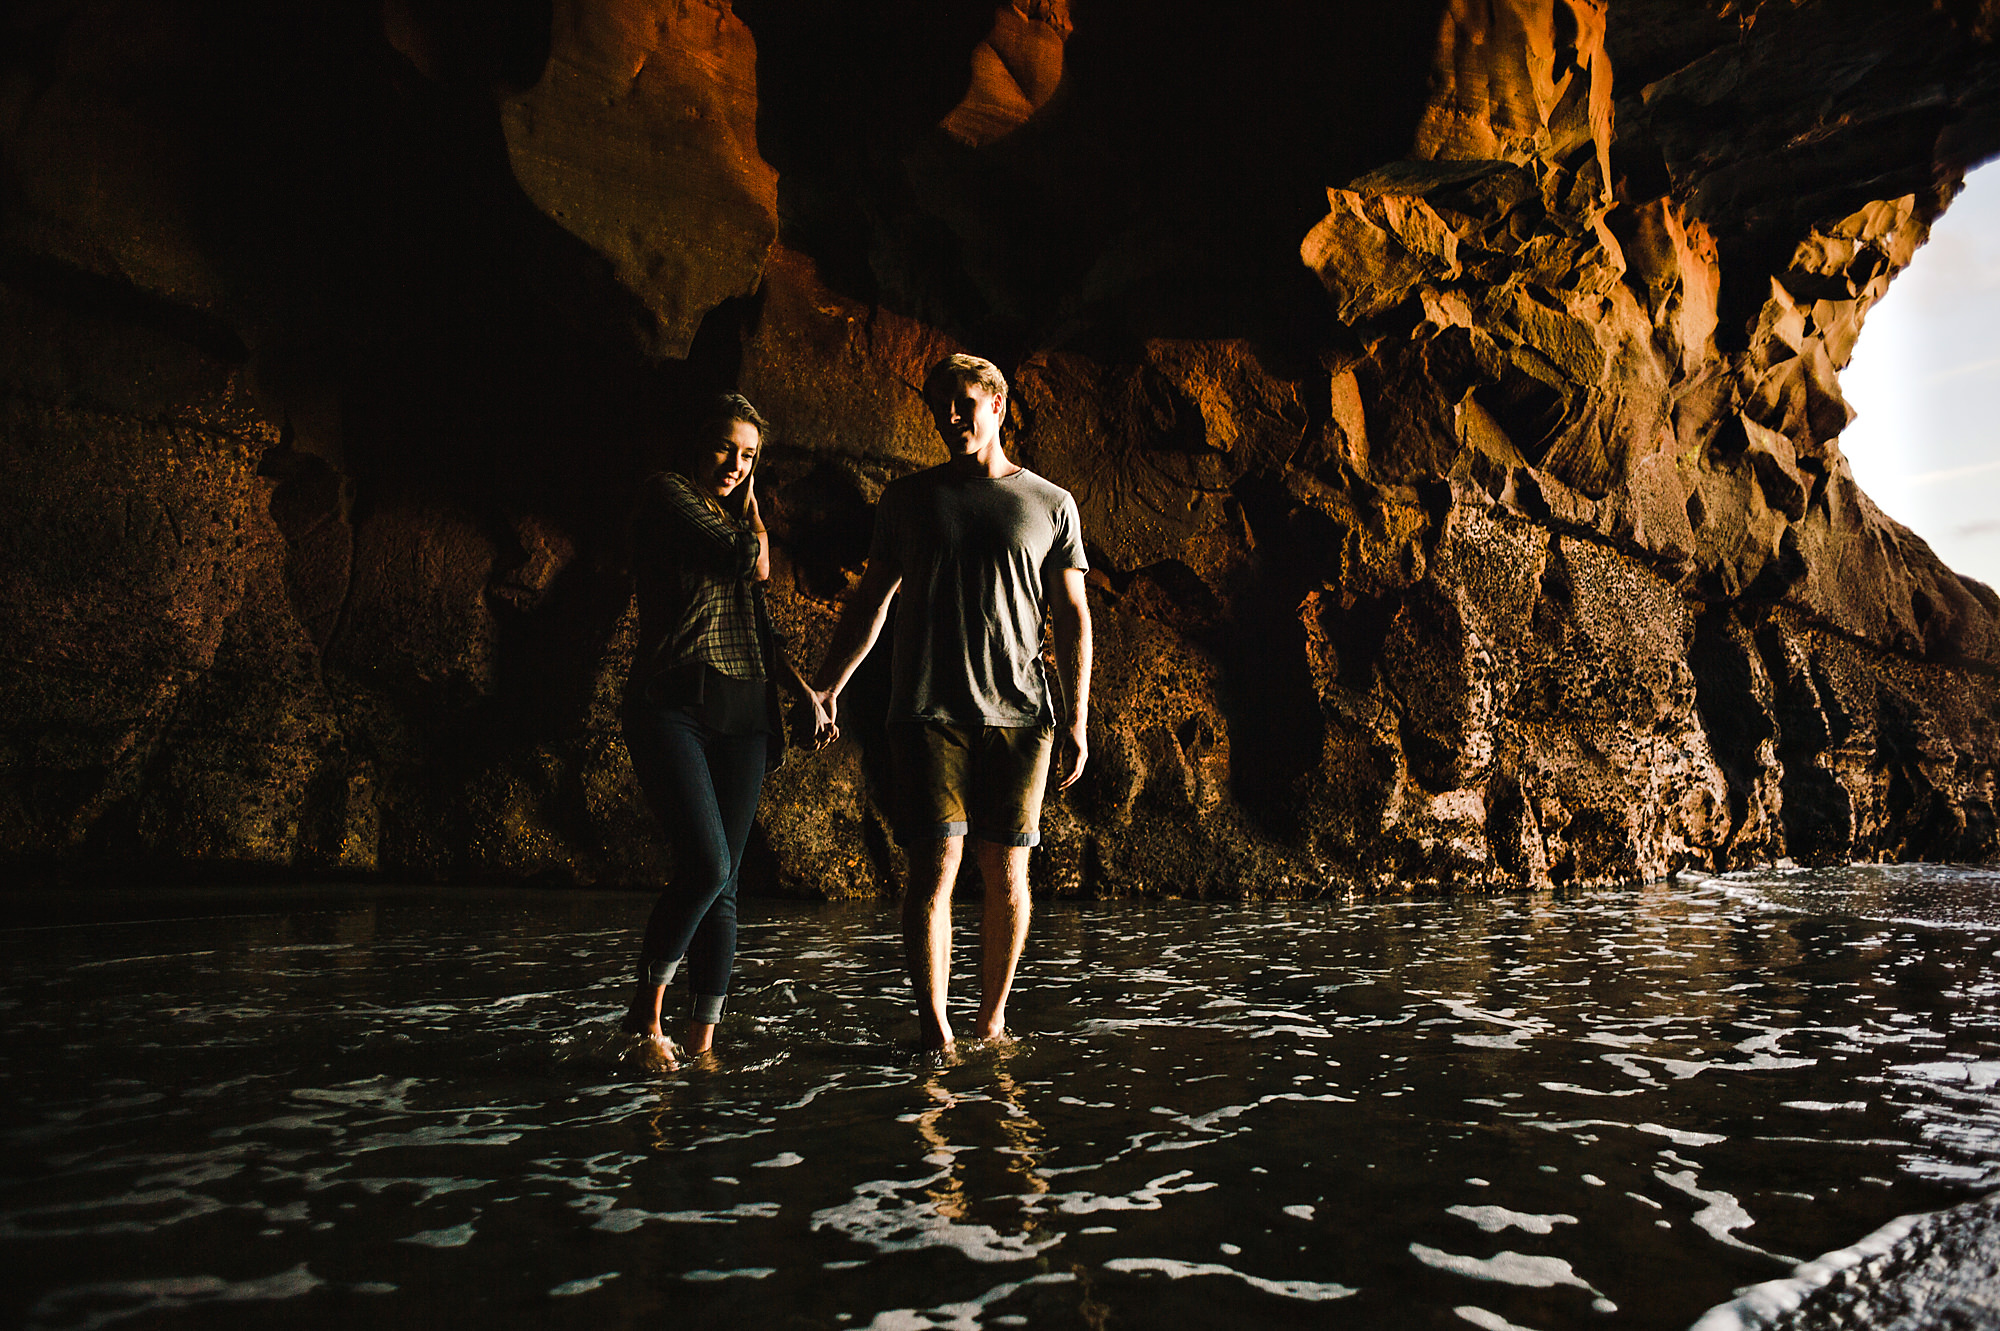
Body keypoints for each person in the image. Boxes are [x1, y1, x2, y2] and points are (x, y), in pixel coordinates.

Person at [809, 354, 1092, 1051]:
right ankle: (936, 1030)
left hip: (1022, 717)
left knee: (1008, 873)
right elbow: (872, 601)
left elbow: (1074, 615)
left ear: (999, 404)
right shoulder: (908, 500)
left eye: (965, 402)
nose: (951, 417)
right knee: (934, 867)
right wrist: (829, 685)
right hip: (928, 710)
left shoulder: (1051, 503)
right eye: (940, 405)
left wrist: (1080, 715)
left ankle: (991, 1020)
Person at [621, 393, 825, 1063]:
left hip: (744, 713)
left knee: (727, 886)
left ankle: (701, 1044)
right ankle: (644, 1023)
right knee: (705, 864)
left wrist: (810, 695)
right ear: (696, 444)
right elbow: (749, 559)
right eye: (725, 449)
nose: (735, 465)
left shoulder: (735, 515)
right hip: (672, 701)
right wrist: (758, 516)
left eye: (749, 456)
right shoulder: (667, 493)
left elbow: (760, 624)